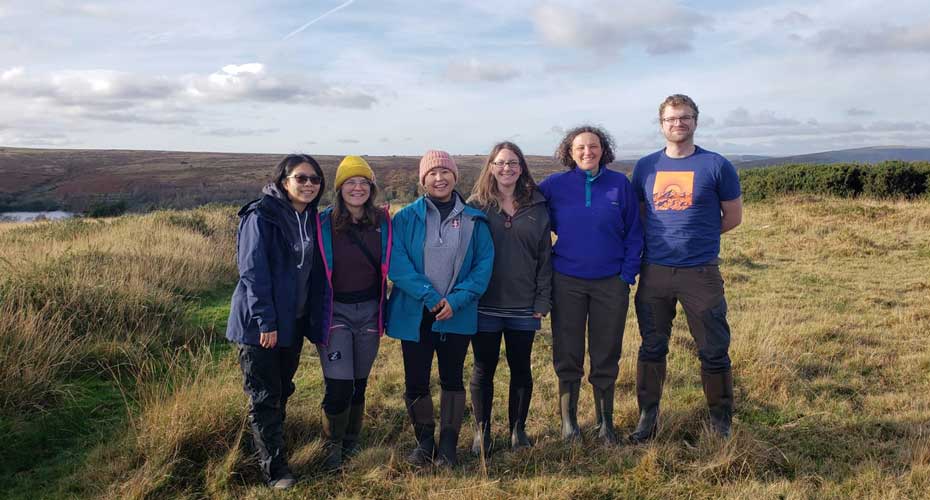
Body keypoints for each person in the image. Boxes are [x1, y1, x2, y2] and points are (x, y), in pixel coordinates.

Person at [629, 94, 743, 442]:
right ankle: (648, 418)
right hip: (655, 271)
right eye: (671, 119)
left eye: (685, 117)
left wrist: (697, 238)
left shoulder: (716, 165)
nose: (678, 123)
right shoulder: (646, 167)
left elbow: (732, 217)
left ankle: (720, 421)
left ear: (696, 121)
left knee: (713, 348)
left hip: (701, 273)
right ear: (661, 124)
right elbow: (641, 215)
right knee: (651, 346)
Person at [226, 154, 330, 489]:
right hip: (261, 327)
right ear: (283, 181)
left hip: (292, 323)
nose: (309, 184)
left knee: (282, 390)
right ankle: (276, 470)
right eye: (301, 178)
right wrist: (265, 322)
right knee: (265, 395)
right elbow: (253, 273)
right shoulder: (262, 216)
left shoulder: (311, 217)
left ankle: (266, 446)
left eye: (314, 179)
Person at [387, 150, 494, 467]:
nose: (439, 178)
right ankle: (424, 443)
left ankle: (448, 445)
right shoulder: (405, 218)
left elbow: (483, 267)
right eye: (432, 173)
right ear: (423, 180)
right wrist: (429, 296)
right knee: (415, 381)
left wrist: (456, 300)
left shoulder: (475, 220)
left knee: (452, 379)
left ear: (455, 177)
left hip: (456, 314)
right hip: (415, 314)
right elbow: (398, 264)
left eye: (445, 172)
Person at [538, 126, 643, 445]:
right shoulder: (554, 185)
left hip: (611, 283)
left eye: (593, 146)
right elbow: (522, 204)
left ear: (603, 150)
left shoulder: (619, 184)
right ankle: (569, 423)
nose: (587, 152)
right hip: (566, 280)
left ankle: (604, 423)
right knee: (567, 351)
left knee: (606, 351)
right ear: (569, 152)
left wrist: (627, 275)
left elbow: (635, 231)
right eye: (580, 147)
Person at [466, 141, 552, 457]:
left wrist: (542, 301)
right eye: (500, 163)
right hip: (484, 305)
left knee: (521, 369)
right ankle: (482, 432)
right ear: (490, 167)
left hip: (524, 306)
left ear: (522, 168)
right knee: (482, 369)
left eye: (513, 163)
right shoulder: (476, 206)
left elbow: (545, 257)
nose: (507, 168)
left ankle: (518, 429)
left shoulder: (538, 206)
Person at [316, 155, 392, 470]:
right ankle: (332, 446)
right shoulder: (321, 222)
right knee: (338, 385)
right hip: (336, 314)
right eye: (350, 182)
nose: (357, 187)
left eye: (363, 182)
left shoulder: (384, 222)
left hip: (371, 313)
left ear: (371, 188)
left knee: (359, 383)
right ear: (339, 188)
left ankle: (351, 442)